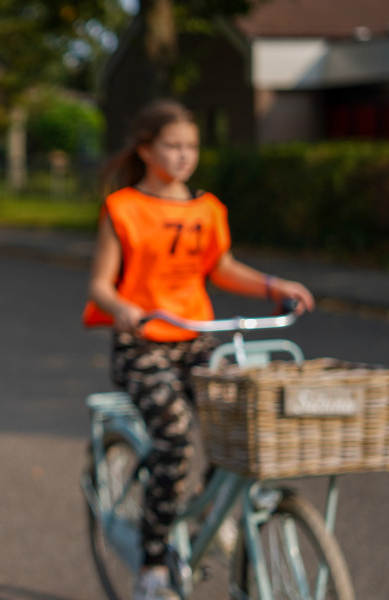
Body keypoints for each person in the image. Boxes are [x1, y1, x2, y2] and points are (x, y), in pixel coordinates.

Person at [81, 100, 315, 600]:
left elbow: (222, 268)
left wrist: (273, 285)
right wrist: (122, 307)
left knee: (239, 414)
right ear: (145, 149)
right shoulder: (123, 208)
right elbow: (100, 284)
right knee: (176, 436)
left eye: (191, 146)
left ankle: (209, 510)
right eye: (173, 145)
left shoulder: (207, 209)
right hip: (142, 343)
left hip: (195, 337)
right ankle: (153, 565)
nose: (185, 156)